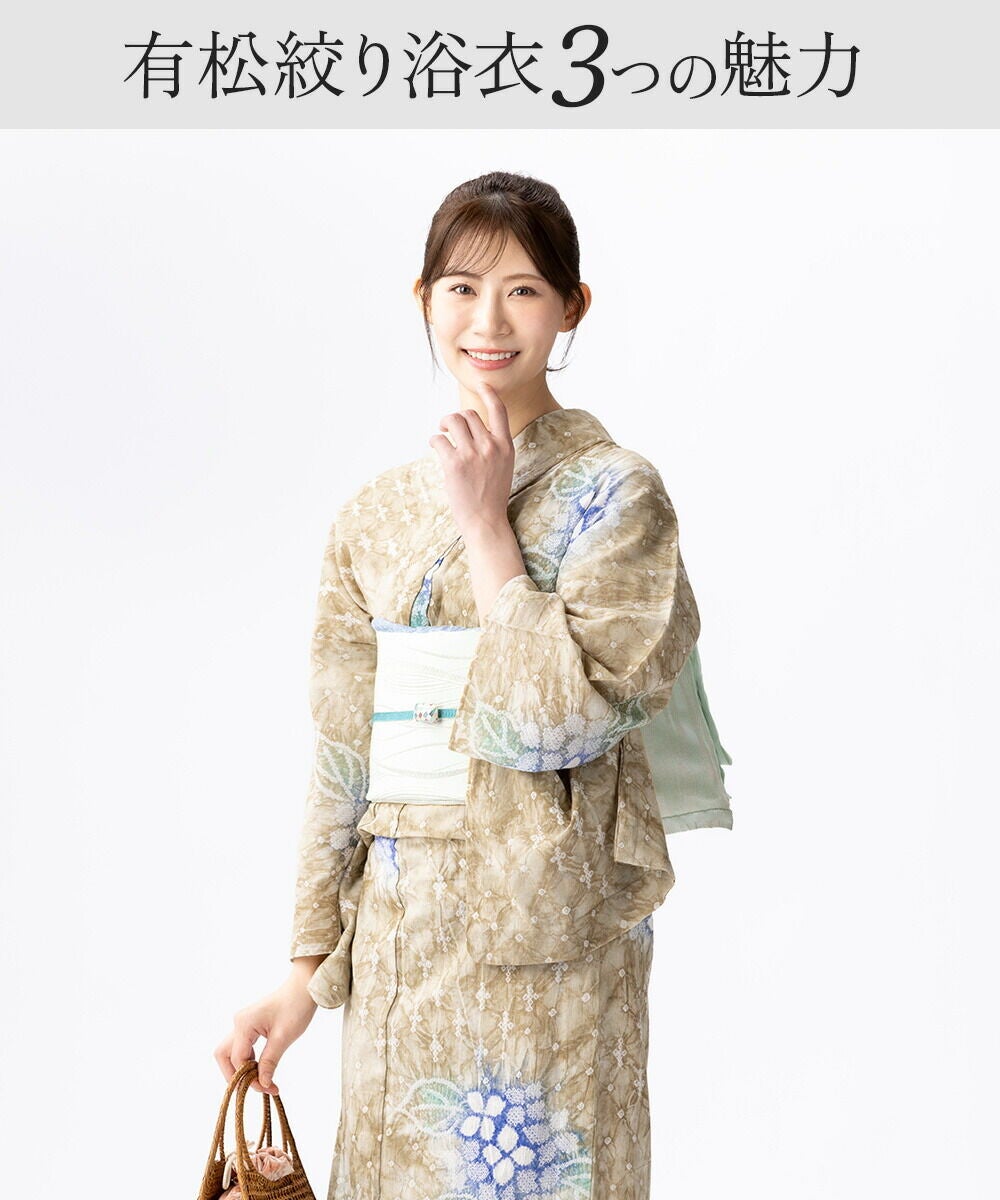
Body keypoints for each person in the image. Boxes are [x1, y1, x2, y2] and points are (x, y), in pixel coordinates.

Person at [215, 170, 708, 1200]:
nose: (489, 321)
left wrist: (486, 526)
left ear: (572, 307)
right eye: (461, 288)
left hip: (550, 934)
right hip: (398, 932)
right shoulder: (378, 513)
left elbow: (559, 723)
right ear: (424, 300)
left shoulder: (619, 494)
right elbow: (344, 750)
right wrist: (304, 972)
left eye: (524, 290)